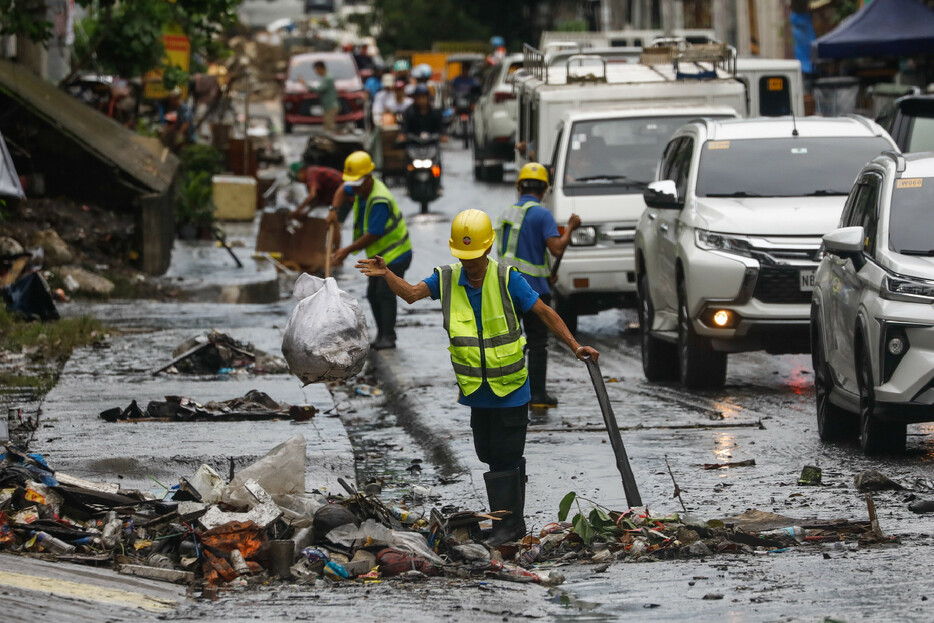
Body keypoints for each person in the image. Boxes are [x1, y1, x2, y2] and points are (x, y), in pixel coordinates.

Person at [355, 210, 598, 546]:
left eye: (474, 256)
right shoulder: (446, 278)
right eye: (463, 256)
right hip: (476, 390)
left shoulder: (506, 278)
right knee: (488, 453)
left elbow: (544, 312)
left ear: (487, 249)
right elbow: (411, 294)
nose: (469, 263)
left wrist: (575, 346)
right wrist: (386, 274)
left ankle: (510, 528)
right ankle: (508, 523)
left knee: (507, 455)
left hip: (511, 387)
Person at [497, 163, 581, 408]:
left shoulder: (506, 214)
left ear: (519, 186)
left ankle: (509, 392)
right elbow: (555, 248)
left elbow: (515, 252)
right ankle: (537, 396)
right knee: (537, 342)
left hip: (505, 287)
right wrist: (571, 229)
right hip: (533, 291)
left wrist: (546, 274)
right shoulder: (542, 214)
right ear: (544, 189)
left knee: (510, 342)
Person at [330, 151, 412, 350]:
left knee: (384, 292)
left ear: (368, 178)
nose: (354, 189)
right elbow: (343, 188)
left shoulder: (379, 200)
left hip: (395, 253)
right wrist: (333, 211)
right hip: (379, 256)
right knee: (373, 293)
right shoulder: (361, 189)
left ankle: (388, 337)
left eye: (357, 184)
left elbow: (373, 234)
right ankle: (382, 334)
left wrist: (346, 250)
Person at [305, 60, 339, 132]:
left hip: (331, 106)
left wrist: (305, 84)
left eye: (317, 70)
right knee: (327, 126)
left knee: (329, 128)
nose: (316, 72)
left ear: (321, 68)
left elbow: (319, 89)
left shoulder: (328, 78)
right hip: (328, 106)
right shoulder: (325, 78)